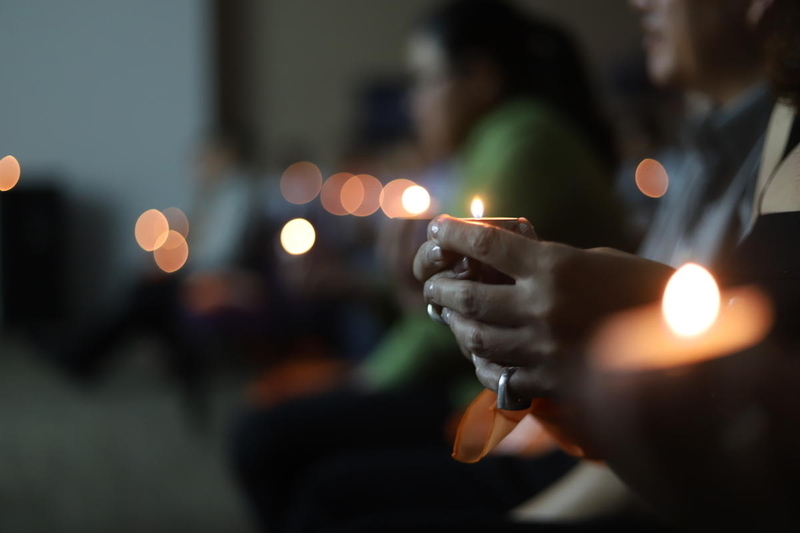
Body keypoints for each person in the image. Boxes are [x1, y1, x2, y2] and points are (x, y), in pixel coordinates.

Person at [230, 1, 629, 531]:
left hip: (528, 415)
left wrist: (369, 375)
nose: (412, 104)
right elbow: (451, 303)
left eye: (423, 80)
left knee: (280, 449)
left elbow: (468, 319)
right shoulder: (496, 143)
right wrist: (372, 291)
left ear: (480, 77)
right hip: (487, 385)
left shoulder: (522, 145)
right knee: (287, 441)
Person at [414, 0, 800, 529]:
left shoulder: (524, 141)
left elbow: (742, 422)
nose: (637, 2)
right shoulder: (735, 134)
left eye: (424, 80)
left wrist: (625, 335)